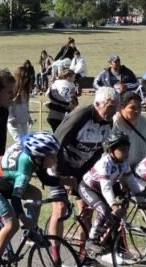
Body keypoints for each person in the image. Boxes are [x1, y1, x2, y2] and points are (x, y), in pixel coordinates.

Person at [0, 132, 62, 267]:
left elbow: (45, 179)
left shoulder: (36, 160)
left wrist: (65, 181)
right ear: (39, 158)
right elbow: (15, 199)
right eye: (52, 157)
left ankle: (30, 232)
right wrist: (22, 217)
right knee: (12, 224)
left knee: (36, 194)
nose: (56, 159)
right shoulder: (24, 170)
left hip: (6, 182)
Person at [50, 86, 120, 243]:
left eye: (116, 107)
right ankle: (55, 255)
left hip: (79, 169)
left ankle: (84, 252)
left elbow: (97, 152)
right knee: (61, 209)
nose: (114, 111)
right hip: (56, 165)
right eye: (110, 107)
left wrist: (84, 177)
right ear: (98, 104)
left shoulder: (108, 122)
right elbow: (56, 145)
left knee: (86, 210)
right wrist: (64, 177)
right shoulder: (81, 116)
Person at [80, 132, 146, 254]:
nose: (126, 153)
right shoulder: (105, 163)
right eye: (122, 150)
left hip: (103, 189)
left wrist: (142, 201)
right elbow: (106, 187)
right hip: (88, 188)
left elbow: (131, 181)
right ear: (111, 150)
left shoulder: (124, 162)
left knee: (114, 216)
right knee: (105, 210)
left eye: (127, 149)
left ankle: (104, 241)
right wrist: (113, 205)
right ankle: (91, 241)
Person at [113, 89, 146, 165]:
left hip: (142, 167)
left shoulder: (143, 121)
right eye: (132, 107)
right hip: (123, 169)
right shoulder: (115, 123)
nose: (137, 110)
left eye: (139, 107)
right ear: (122, 107)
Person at [6, 61, 35, 140]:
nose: (27, 80)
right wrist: (11, 118)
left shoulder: (25, 92)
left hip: (23, 122)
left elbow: (26, 106)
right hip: (14, 123)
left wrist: (29, 117)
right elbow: (8, 106)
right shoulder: (12, 91)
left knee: (25, 143)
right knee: (20, 143)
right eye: (25, 78)